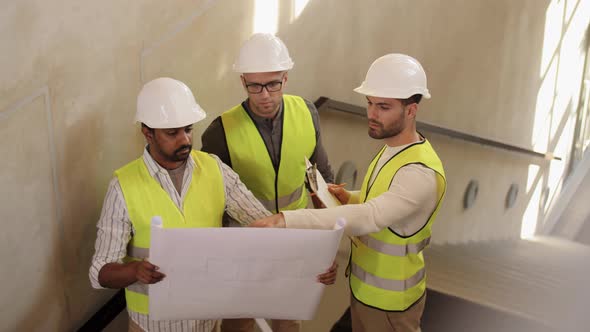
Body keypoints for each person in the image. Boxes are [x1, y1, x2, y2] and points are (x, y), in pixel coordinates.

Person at [251, 54, 447, 332]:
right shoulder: (394, 148)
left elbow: (371, 216)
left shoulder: (420, 172)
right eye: (369, 103)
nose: (372, 114)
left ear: (411, 110)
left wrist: (286, 220)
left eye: (383, 107)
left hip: (391, 306)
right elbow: (381, 200)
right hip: (366, 292)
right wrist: (349, 197)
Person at [89, 77, 272, 332]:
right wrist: (136, 272)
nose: (185, 140)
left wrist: (311, 259)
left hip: (207, 322)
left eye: (188, 129)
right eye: (172, 133)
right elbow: (100, 272)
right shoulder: (123, 187)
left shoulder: (215, 169)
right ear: (147, 132)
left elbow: (266, 225)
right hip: (152, 327)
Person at [201, 33, 337, 332]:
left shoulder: (306, 112)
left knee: (287, 319)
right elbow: (209, 202)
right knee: (240, 322)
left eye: (273, 84)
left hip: (294, 237)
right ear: (243, 83)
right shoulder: (219, 131)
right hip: (245, 245)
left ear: (285, 79)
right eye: (255, 86)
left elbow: (322, 179)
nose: (264, 95)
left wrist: (325, 243)